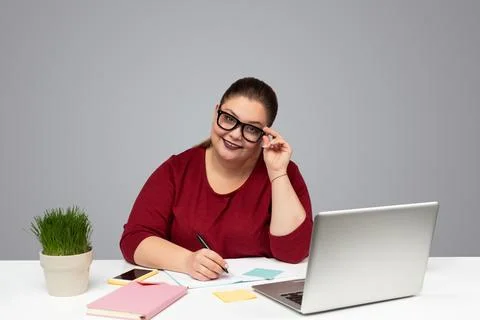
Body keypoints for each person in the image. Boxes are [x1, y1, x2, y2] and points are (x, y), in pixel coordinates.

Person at [120, 77, 313, 281]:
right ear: (216, 112)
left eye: (251, 129)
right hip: (190, 298)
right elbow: (134, 239)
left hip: (257, 302)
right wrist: (187, 261)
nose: (236, 135)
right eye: (229, 118)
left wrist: (277, 173)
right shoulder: (177, 170)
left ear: (265, 136)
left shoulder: (284, 172)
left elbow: (294, 252)